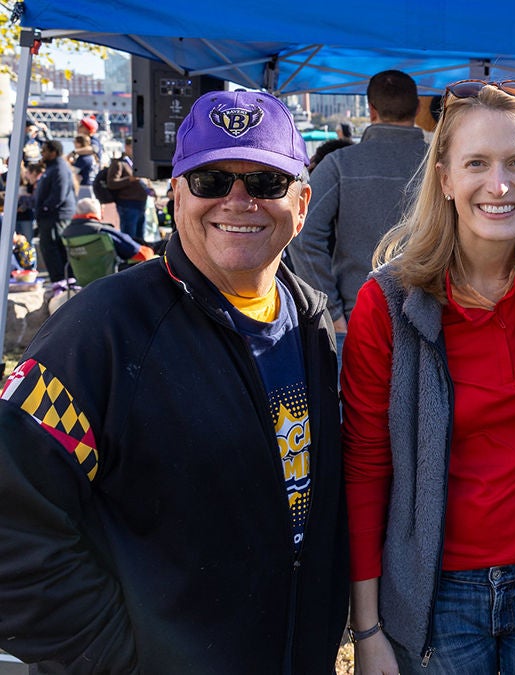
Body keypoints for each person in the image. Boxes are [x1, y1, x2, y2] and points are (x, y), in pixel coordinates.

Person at [0, 89, 349, 672]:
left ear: (304, 202)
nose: (239, 200)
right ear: (177, 195)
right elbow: (13, 528)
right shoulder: (100, 332)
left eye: (265, 182)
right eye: (212, 180)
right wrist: (118, 657)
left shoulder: (310, 320)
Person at [341, 79, 515, 673]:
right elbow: (364, 467)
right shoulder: (386, 305)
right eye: (477, 163)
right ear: (445, 177)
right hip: (436, 595)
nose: (498, 184)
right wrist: (368, 627)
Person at [288, 69, 428, 349]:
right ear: (417, 108)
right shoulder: (446, 165)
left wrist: (331, 310)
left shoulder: (340, 163)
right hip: (435, 318)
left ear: (371, 110)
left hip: (358, 319)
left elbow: (302, 235)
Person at [60, 197, 155, 286]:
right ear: (99, 212)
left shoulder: (66, 234)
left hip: (83, 281)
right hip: (112, 280)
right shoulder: (103, 231)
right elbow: (144, 255)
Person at [33, 140, 76, 283]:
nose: (42, 153)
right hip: (50, 216)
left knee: (53, 248)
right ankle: (60, 279)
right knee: (51, 248)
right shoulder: (53, 168)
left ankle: (61, 280)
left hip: (56, 216)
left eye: (44, 150)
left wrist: (45, 208)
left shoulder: (59, 168)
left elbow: (59, 194)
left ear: (53, 152)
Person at [106, 137, 149, 242]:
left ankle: (141, 257)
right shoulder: (119, 163)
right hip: (128, 204)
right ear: (127, 147)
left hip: (141, 204)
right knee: (129, 237)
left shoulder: (139, 163)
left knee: (140, 237)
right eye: (133, 147)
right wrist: (129, 179)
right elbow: (111, 183)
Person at [70, 134, 99, 200]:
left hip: (84, 187)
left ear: (79, 144)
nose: (74, 144)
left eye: (75, 142)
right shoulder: (92, 156)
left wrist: (68, 162)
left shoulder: (83, 158)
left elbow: (72, 172)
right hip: (92, 185)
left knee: (83, 208)